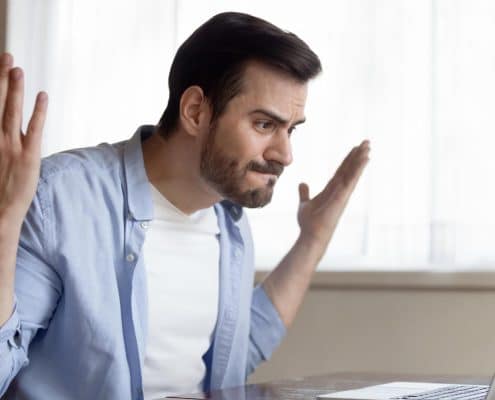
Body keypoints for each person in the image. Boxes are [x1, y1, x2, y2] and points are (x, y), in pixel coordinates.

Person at [0, 11, 370, 400]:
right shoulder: (60, 199)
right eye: (264, 125)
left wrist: (313, 240)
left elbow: (232, 355)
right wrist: (6, 224)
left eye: (290, 130)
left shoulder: (230, 225)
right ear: (195, 110)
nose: (285, 154)